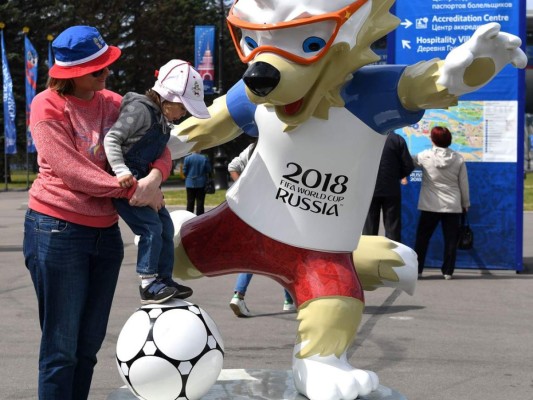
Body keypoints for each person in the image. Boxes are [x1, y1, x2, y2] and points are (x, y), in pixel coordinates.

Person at [23, 26, 169, 400]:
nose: (107, 75)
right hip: (56, 231)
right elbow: (71, 170)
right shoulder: (47, 105)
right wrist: (137, 191)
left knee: (87, 348)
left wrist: (155, 176)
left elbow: (157, 139)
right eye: (97, 70)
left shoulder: (114, 102)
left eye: (107, 67)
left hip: (105, 235)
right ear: (71, 74)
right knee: (61, 349)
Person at [104, 59, 209, 304]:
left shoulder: (162, 118)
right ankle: (148, 282)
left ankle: (164, 279)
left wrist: (154, 185)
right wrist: (120, 171)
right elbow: (112, 139)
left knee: (166, 227)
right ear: (165, 98)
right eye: (182, 108)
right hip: (126, 181)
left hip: (144, 180)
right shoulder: (140, 110)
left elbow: (160, 154)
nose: (183, 114)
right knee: (150, 228)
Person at [227, 142, 296, 317]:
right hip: (278, 207)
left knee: (255, 254)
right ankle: (289, 299)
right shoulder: (283, 147)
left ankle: (239, 295)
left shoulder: (252, 148)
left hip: (255, 208)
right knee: (285, 253)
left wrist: (243, 186)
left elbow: (233, 167)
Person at [412, 126, 470, 280]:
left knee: (422, 239)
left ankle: (418, 270)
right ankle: (447, 271)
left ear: (432, 139)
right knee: (451, 240)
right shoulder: (458, 158)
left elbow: (408, 162)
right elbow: (463, 183)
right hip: (452, 205)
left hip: (429, 204)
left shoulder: (424, 156)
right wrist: (465, 203)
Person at [363, 131, 414, 242]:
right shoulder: (397, 139)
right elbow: (408, 165)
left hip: (369, 189)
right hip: (391, 189)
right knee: (393, 228)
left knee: (369, 228)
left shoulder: (366, 137)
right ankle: (393, 256)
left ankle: (367, 256)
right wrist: (396, 176)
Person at [183, 150, 212, 215]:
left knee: (190, 202)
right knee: (200, 202)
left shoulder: (187, 158)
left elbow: (184, 171)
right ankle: (199, 217)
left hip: (190, 182)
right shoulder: (204, 158)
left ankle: (189, 216)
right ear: (200, 150)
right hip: (201, 182)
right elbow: (208, 169)